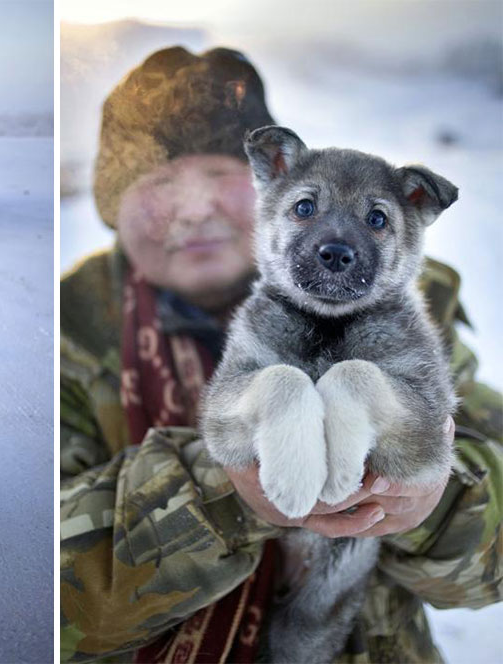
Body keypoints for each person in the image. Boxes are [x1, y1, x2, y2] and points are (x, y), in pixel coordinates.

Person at [60, 46, 502, 663]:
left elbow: (494, 561)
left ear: (262, 179)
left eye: (218, 176)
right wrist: (222, 490)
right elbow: (51, 602)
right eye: (160, 182)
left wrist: (429, 497)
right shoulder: (64, 335)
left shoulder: (419, 307)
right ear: (114, 206)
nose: (194, 210)